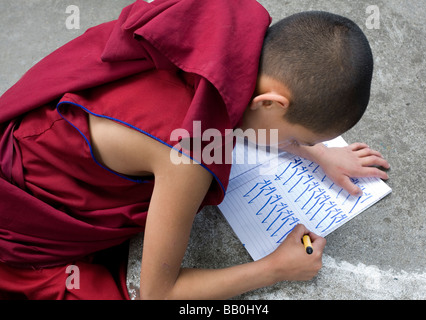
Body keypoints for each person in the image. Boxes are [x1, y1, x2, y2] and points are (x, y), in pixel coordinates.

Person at [0, 0, 389, 300]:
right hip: (19, 231)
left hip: (31, 132)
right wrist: (276, 268)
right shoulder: (189, 154)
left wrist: (318, 153)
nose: (299, 147)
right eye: (299, 139)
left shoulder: (222, 23)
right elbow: (158, 292)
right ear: (271, 102)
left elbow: (238, 110)